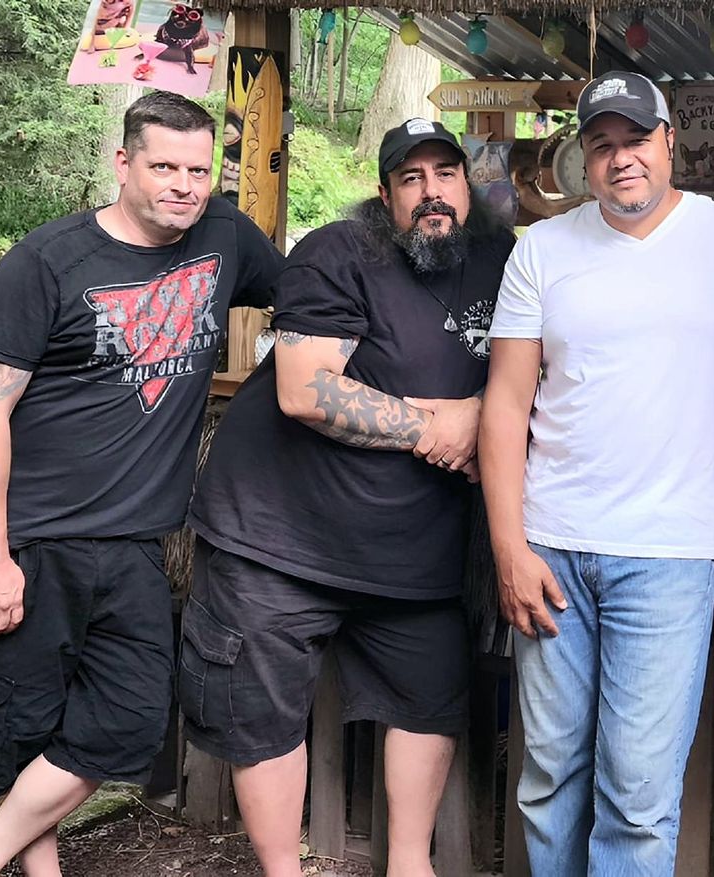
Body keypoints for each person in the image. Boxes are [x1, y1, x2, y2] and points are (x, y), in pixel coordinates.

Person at [0, 90, 283, 877]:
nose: (183, 186)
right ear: (123, 162)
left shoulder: (226, 237)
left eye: (198, 170)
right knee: (22, 727)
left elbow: (311, 296)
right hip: (36, 538)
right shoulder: (45, 263)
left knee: (128, 721)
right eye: (164, 166)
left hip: (137, 543)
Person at [178, 118, 513, 877]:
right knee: (262, 710)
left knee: (430, 698)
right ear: (385, 195)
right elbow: (304, 391)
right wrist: (441, 425)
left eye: (446, 174)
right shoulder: (339, 252)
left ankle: (409, 865)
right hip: (282, 532)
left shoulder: (502, 260)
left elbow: (535, 366)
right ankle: (282, 871)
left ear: (469, 184)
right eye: (411, 178)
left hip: (413, 545)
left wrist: (482, 411)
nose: (432, 192)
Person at [479, 71, 714, 874]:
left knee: (638, 793)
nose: (622, 158)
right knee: (549, 776)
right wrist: (510, 547)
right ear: (582, 158)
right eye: (602, 145)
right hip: (551, 545)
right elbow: (506, 405)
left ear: (670, 142)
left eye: (637, 139)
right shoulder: (543, 249)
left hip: (673, 555)